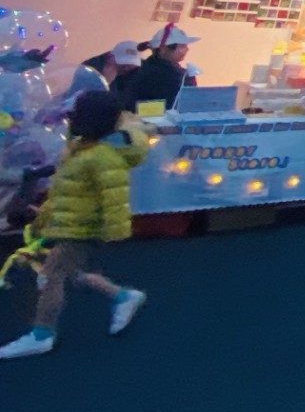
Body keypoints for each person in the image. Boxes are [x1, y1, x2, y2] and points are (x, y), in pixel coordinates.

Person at [0, 91, 151, 360]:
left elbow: (114, 196)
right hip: (69, 223)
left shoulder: (101, 156)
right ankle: (122, 295)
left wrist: (114, 231)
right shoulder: (81, 147)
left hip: (82, 227)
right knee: (71, 273)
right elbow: (65, 192)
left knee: (52, 274)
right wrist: (43, 219)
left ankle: (42, 333)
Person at [119, 24, 197, 111]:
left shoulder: (146, 67)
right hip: (149, 120)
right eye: (182, 46)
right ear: (164, 49)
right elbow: (177, 104)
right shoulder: (161, 74)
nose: (187, 49)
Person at [64, 41, 142, 101]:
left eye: (131, 65)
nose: (126, 68)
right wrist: (104, 81)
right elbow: (78, 97)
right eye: (123, 64)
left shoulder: (136, 71)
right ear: (110, 57)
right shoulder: (89, 68)